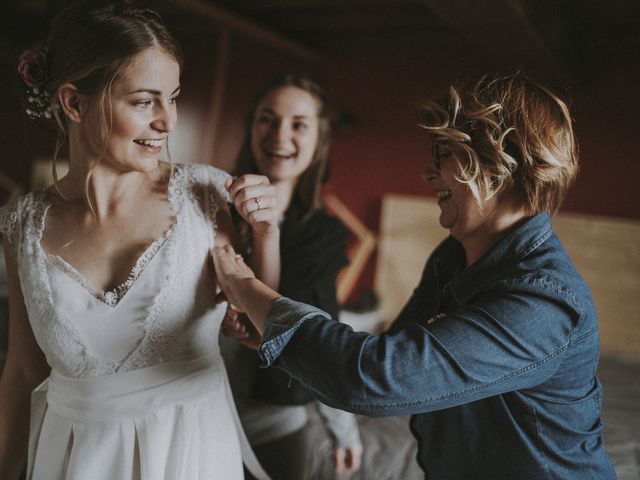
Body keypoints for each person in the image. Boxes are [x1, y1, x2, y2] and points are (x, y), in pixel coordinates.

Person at [214, 71, 617, 479]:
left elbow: (373, 378)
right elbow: (394, 353)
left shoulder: (542, 302)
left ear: (500, 162)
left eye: (444, 154)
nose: (429, 175)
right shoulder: (453, 257)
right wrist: (272, 334)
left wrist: (243, 285)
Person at [0, 2, 279, 479]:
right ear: (73, 102)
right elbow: (24, 371)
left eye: (172, 97)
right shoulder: (21, 224)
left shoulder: (205, 195)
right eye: (145, 101)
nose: (168, 122)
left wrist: (267, 234)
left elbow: (259, 330)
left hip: (190, 454)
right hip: (72, 461)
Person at [221, 74, 363, 480]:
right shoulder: (211, 208)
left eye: (299, 124)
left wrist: (343, 431)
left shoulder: (326, 236)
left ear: (319, 139)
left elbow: (324, 333)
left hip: (275, 421)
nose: (280, 134)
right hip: (196, 407)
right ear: (251, 127)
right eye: (268, 119)